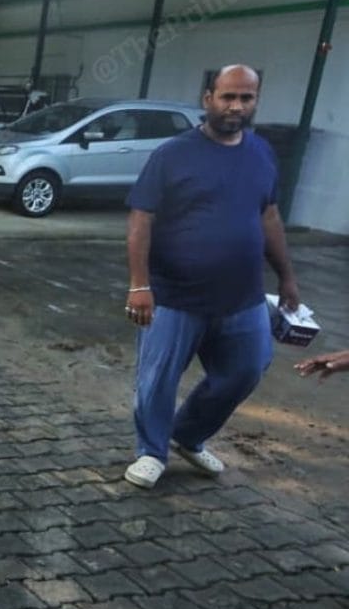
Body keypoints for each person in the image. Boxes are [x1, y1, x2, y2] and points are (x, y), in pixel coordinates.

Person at [123, 64, 300, 489]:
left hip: (242, 296)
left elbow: (269, 215)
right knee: (158, 379)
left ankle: (188, 435)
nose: (236, 106)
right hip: (174, 295)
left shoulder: (261, 152)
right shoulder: (172, 154)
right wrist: (139, 284)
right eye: (227, 97)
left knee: (247, 368)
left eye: (246, 98)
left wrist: (287, 277)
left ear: (255, 101)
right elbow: (141, 218)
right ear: (207, 99)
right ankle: (151, 451)